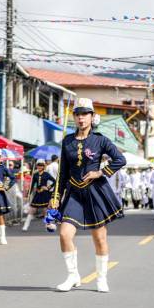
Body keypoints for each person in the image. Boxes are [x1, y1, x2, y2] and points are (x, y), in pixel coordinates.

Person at [51, 98, 126, 293]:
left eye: (85, 114)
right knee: (64, 234)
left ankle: (101, 278)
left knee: (100, 239)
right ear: (74, 117)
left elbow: (120, 159)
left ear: (93, 117)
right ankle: (72, 275)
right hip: (74, 193)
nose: (81, 118)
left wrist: (100, 172)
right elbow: (62, 172)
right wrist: (56, 196)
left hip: (95, 193)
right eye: (78, 114)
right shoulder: (67, 141)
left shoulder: (100, 140)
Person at [22, 159, 56, 231]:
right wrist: (28, 194)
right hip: (37, 194)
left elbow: (55, 181)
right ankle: (25, 226)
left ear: (44, 166)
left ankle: (48, 226)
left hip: (45, 194)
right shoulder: (35, 175)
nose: (39, 167)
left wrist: (48, 187)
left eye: (41, 165)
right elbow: (31, 186)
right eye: (38, 165)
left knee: (45, 211)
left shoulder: (46, 174)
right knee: (32, 210)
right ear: (36, 166)